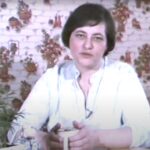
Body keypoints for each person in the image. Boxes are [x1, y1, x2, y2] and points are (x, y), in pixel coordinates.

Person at [7, 2, 150, 150]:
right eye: (80, 35)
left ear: (107, 44)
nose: (87, 45)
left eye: (97, 38)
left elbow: (145, 132)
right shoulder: (53, 77)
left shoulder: (123, 74)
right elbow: (17, 130)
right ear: (69, 38)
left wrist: (97, 139)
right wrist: (46, 141)